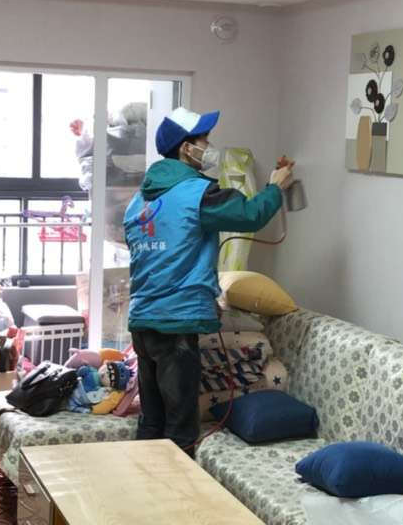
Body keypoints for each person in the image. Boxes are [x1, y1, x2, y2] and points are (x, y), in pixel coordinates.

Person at [123, 107, 295, 454]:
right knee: (180, 430)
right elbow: (249, 215)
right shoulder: (197, 193)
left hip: (142, 321)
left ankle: (141, 483)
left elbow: (159, 258)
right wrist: (275, 188)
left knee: (152, 421)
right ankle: (178, 488)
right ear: (186, 148)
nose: (209, 146)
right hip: (176, 323)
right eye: (203, 139)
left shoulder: (138, 202)